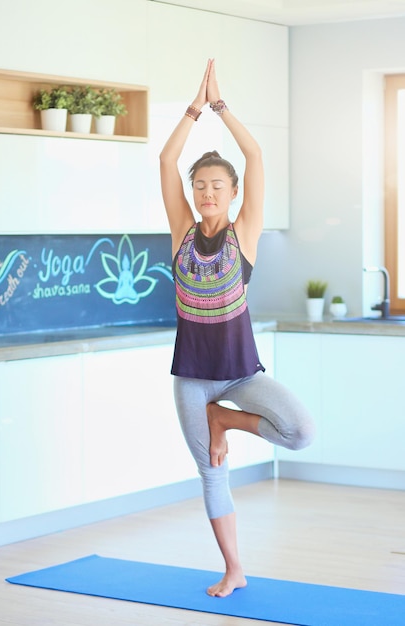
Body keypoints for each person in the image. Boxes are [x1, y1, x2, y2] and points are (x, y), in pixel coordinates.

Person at [159, 59, 315, 598]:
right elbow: (166, 157)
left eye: (216, 186)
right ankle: (234, 568)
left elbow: (255, 155)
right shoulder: (182, 232)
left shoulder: (243, 236)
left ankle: (224, 420)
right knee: (211, 473)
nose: (206, 193)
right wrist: (190, 110)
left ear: (232, 193)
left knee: (300, 432)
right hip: (193, 380)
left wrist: (220, 107)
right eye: (199, 185)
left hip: (240, 378)